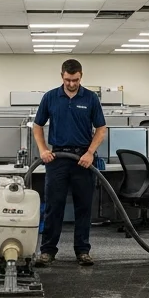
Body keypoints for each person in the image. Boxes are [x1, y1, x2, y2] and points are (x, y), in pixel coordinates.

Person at [31, 59, 107, 267]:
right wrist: (43, 150)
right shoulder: (51, 97)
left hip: (83, 160)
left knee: (83, 207)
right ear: (61, 75)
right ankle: (47, 251)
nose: (71, 84)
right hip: (58, 159)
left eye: (75, 80)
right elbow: (37, 126)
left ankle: (82, 251)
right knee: (54, 206)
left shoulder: (90, 98)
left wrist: (90, 152)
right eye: (67, 80)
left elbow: (101, 129)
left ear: (81, 76)